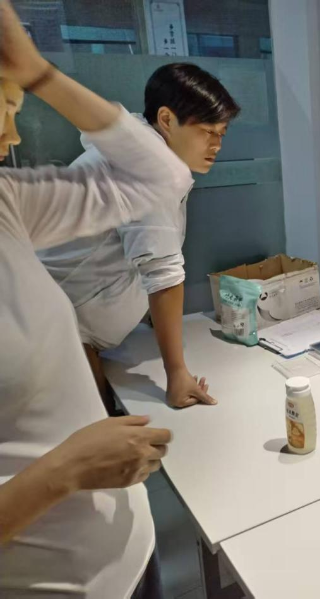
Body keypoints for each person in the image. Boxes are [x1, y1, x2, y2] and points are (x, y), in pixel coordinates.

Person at [0, 1, 190, 595]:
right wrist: (64, 471)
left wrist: (39, 73)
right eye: (3, 110)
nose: (12, 134)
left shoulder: (4, 204)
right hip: (55, 584)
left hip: (128, 553)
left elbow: (160, 176)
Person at [38, 63, 240, 411]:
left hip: (64, 325)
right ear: (166, 119)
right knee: (98, 436)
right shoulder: (149, 168)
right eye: (208, 131)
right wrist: (177, 374)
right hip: (53, 332)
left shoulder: (137, 150)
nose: (217, 145)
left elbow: (137, 246)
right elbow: (163, 274)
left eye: (222, 133)